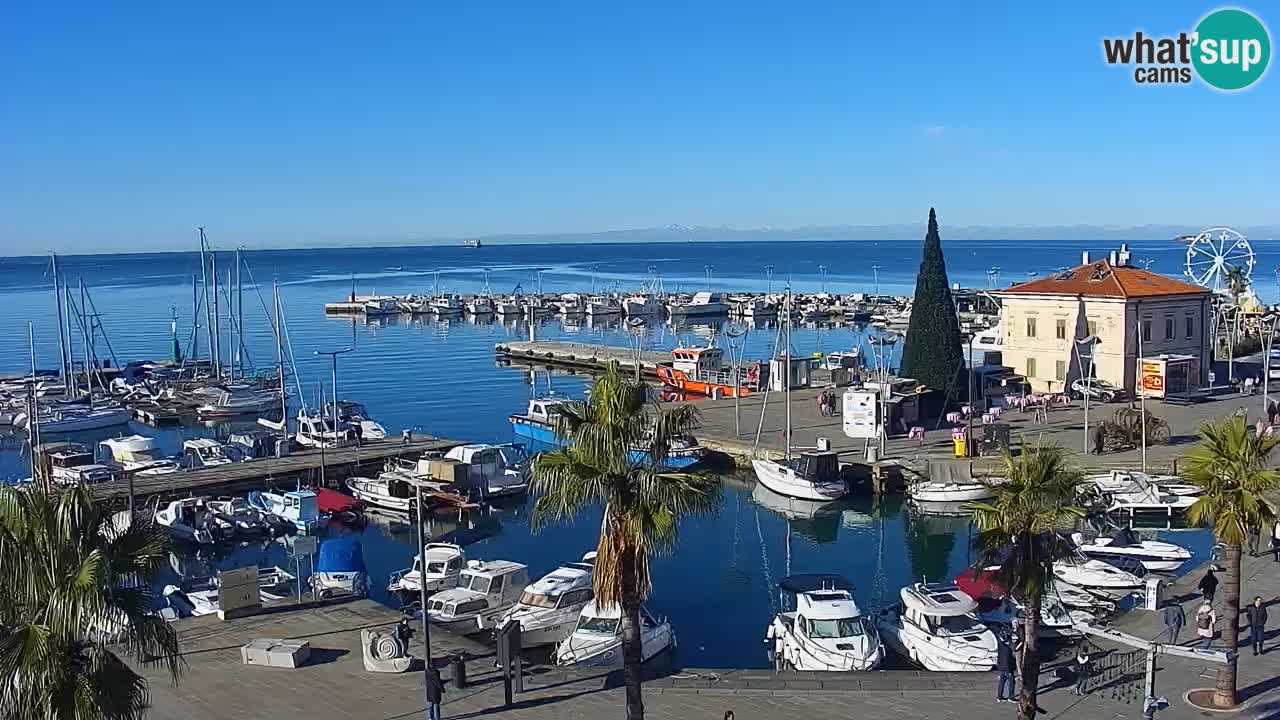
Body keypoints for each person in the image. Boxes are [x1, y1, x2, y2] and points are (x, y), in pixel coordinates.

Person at [996, 634, 1016, 703]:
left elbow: (999, 658)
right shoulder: (1007, 649)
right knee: (1012, 682)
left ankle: (999, 697)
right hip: (1007, 668)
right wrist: (1009, 671)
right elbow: (1007, 660)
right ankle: (1011, 697)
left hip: (1001, 668)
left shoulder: (1000, 646)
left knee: (1002, 682)